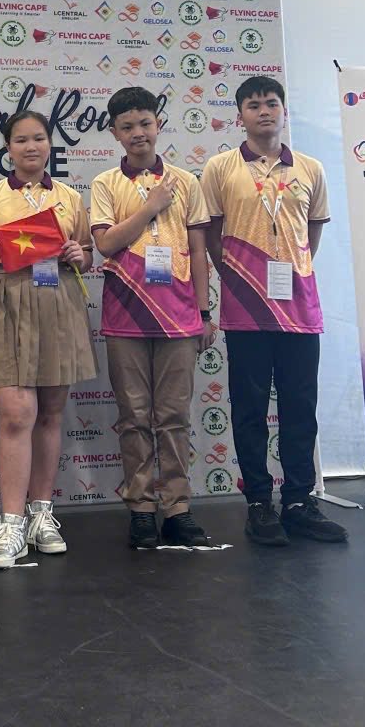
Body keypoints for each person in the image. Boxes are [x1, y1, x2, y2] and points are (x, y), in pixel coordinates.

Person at [201, 75, 348, 545]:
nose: (264, 111)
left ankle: (300, 501)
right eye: (253, 105)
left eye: (271, 103)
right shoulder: (220, 168)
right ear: (240, 116)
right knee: (248, 408)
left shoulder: (310, 168)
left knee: (300, 406)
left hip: (298, 307)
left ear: (284, 111)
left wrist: (292, 274)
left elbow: (312, 234)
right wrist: (238, 279)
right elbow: (211, 234)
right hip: (245, 308)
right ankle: (259, 503)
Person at [0, 110, 96, 568]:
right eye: (21, 140)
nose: (31, 146)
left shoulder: (70, 197)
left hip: (58, 300)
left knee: (51, 412)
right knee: (17, 413)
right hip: (6, 300)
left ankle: (41, 514)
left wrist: (79, 254)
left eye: (39, 138)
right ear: (8, 148)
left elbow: (85, 256)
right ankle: (11, 522)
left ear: (50, 144)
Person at [91, 87, 215, 549]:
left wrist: (204, 311)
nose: (138, 133)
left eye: (145, 123)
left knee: (174, 416)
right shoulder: (106, 183)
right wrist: (150, 206)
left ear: (158, 125)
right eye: (127, 127)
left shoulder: (186, 181)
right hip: (125, 314)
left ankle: (178, 508)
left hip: (179, 317)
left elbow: (199, 251)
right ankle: (141, 509)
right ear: (115, 133)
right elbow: (105, 244)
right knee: (134, 417)